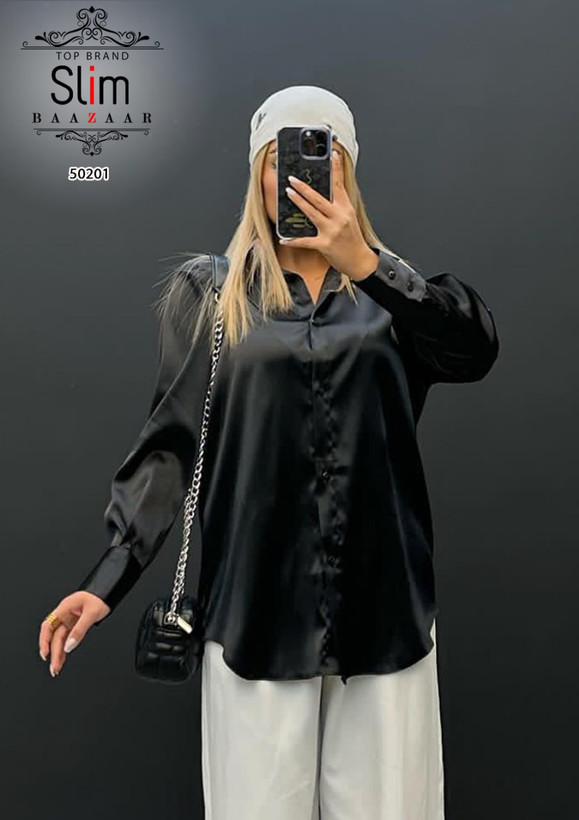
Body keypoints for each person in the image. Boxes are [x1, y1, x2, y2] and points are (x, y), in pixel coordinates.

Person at [38, 85, 499, 819]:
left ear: (346, 169)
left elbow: (474, 351)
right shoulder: (211, 294)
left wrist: (368, 264)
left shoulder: (394, 295)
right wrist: (109, 577)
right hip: (254, 609)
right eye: (281, 154)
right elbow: (170, 446)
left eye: (320, 152)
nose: (297, 172)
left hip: (384, 608)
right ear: (257, 169)